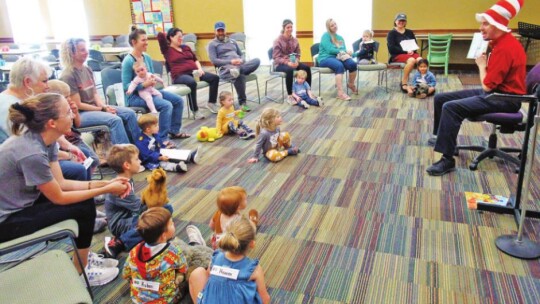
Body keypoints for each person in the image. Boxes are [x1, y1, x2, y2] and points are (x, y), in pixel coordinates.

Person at [0, 93, 131, 286]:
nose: (73, 114)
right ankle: (81, 271)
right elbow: (60, 197)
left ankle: (82, 258)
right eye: (68, 111)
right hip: (6, 221)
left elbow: (61, 183)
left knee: (82, 200)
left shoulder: (47, 140)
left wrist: (105, 184)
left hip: (21, 204)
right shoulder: (31, 151)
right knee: (83, 206)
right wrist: (106, 189)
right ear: (52, 122)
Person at [426, 0, 526, 176]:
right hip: (498, 92)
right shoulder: (500, 42)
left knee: (451, 108)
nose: (481, 28)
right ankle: (443, 139)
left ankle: (447, 159)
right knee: (441, 99)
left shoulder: (505, 48)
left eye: (486, 23)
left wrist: (481, 65)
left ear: (499, 25)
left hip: (505, 99)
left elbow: (487, 86)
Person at [60, 38, 140, 144]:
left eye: (86, 49)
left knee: (129, 114)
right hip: (81, 114)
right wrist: (101, 109)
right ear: (72, 53)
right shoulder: (68, 75)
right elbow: (78, 105)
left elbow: (95, 93)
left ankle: (140, 151)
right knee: (115, 120)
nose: (86, 52)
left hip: (94, 108)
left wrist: (104, 106)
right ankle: (124, 157)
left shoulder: (87, 69)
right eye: (82, 50)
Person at [103, 144, 175, 258]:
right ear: (127, 165)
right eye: (137, 159)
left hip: (130, 216)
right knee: (153, 221)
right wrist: (156, 200)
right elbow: (141, 207)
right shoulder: (121, 186)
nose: (140, 161)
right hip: (120, 223)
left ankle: (154, 230)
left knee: (166, 209)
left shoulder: (127, 179)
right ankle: (120, 243)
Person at [122, 26, 190, 144]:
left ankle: (174, 130)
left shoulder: (146, 57)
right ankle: (162, 139)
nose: (147, 43)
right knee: (166, 105)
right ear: (134, 42)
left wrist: (153, 80)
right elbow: (126, 86)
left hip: (149, 91)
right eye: (143, 40)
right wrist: (143, 85)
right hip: (134, 96)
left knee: (178, 100)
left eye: (147, 39)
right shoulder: (128, 61)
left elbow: (151, 75)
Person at [189, 216, 271, 304]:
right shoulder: (253, 269)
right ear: (252, 244)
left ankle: (197, 243)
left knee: (197, 273)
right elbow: (265, 300)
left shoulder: (215, 258)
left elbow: (209, 276)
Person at [123, 207, 188, 303]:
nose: (174, 223)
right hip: (164, 300)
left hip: (138, 299)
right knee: (184, 282)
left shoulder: (134, 251)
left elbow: (125, 274)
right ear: (163, 235)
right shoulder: (173, 252)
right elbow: (183, 269)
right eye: (171, 223)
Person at [157, 27, 220, 119]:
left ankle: (211, 102)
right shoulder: (167, 50)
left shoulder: (186, 47)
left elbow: (195, 60)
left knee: (215, 78)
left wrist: (200, 69)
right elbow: (160, 36)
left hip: (194, 72)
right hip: (179, 76)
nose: (181, 39)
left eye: (182, 36)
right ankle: (195, 110)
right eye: (178, 37)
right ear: (171, 37)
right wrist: (164, 32)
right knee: (191, 82)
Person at [208, 21, 261, 113]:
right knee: (239, 76)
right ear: (215, 32)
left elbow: (241, 54)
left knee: (257, 60)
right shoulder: (212, 44)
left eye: (222, 30)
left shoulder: (233, 41)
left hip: (239, 65)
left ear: (225, 31)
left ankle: (239, 70)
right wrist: (231, 61)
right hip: (226, 69)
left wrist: (241, 60)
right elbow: (214, 60)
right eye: (218, 31)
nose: (221, 32)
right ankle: (242, 103)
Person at [135, 113, 203, 173]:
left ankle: (191, 156)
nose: (158, 127)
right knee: (162, 164)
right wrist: (159, 157)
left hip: (159, 153)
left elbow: (159, 145)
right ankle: (176, 167)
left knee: (173, 152)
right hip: (151, 160)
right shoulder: (141, 141)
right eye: (155, 126)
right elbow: (147, 155)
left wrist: (165, 148)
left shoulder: (154, 134)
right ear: (148, 129)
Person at [272, 19, 312, 104]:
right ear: (284, 28)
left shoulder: (295, 40)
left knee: (306, 68)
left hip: (293, 62)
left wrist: (297, 61)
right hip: (280, 64)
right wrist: (288, 63)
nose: (290, 29)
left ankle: (307, 91)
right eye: (288, 27)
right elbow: (276, 57)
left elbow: (298, 53)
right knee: (289, 70)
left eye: (291, 27)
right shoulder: (277, 41)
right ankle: (290, 95)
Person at [317, 18, 358, 101]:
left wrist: (351, 54)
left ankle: (350, 84)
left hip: (338, 56)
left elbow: (343, 49)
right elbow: (330, 50)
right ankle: (340, 93)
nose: (334, 26)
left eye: (335, 24)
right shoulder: (325, 36)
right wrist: (344, 51)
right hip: (325, 58)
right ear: (328, 28)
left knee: (352, 64)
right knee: (339, 66)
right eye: (332, 25)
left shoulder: (340, 37)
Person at [387, 13, 423, 93]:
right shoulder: (391, 33)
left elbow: (415, 44)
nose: (401, 22)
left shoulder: (410, 32)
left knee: (421, 60)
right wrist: (405, 51)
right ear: (395, 21)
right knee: (411, 60)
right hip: (397, 54)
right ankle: (404, 82)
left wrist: (412, 50)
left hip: (410, 53)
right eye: (399, 20)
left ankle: (420, 82)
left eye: (403, 21)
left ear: (406, 22)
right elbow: (391, 48)